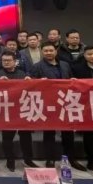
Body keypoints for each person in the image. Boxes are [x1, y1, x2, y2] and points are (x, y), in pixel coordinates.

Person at [30, 42, 86, 171]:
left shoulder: (65, 65)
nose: (49, 53)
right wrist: (38, 83)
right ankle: (50, 159)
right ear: (42, 52)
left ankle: (70, 159)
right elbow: (31, 86)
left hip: (65, 103)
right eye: (46, 51)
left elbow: (72, 80)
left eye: (51, 50)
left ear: (55, 51)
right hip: (48, 103)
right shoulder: (37, 67)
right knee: (49, 133)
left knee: (68, 133)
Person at [0, 51, 38, 171]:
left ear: (15, 62)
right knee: (7, 138)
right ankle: (10, 160)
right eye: (4, 60)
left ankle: (28, 159)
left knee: (26, 136)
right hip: (7, 110)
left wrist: (31, 81)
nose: (6, 62)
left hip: (21, 109)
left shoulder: (22, 74)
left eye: (9, 60)